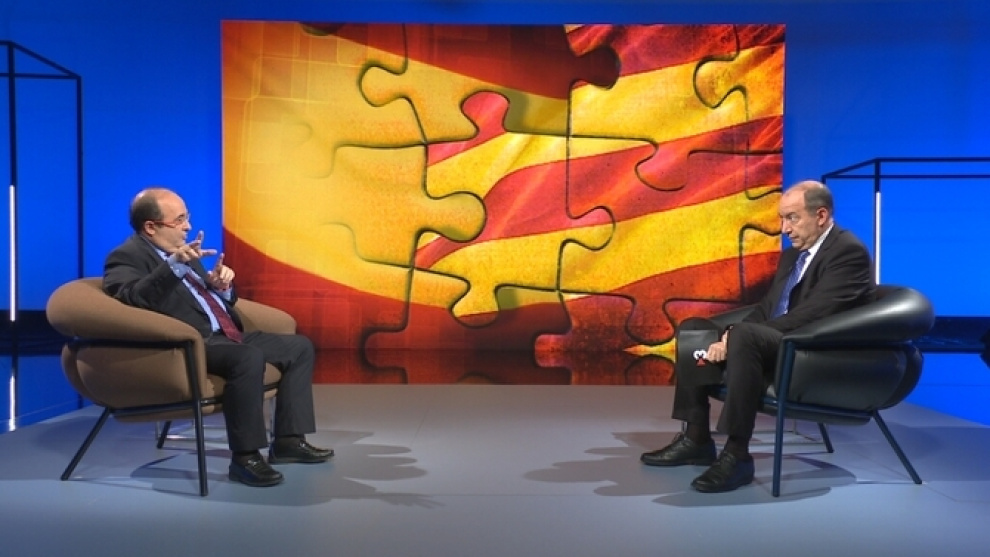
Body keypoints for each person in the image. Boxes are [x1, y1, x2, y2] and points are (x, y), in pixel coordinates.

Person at [640, 180, 875, 493]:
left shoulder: (848, 252)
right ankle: (696, 438)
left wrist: (740, 336)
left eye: (792, 218)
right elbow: (767, 307)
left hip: (812, 351)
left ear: (821, 215)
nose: (784, 229)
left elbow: (814, 314)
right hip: (778, 338)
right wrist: (728, 335)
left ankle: (737, 454)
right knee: (695, 330)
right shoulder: (792, 256)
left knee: (746, 336)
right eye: (782, 219)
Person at [103, 187, 333, 487]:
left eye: (187, 217)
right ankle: (246, 457)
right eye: (179, 220)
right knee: (247, 357)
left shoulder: (183, 251)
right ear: (151, 226)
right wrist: (172, 267)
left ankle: (288, 441)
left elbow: (205, 298)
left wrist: (220, 286)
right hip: (192, 343)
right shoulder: (127, 256)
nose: (188, 226)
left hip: (225, 333)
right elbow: (132, 299)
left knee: (299, 347)